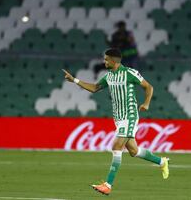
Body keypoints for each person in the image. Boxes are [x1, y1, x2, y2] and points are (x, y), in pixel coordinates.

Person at [62, 48, 169, 196]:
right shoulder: (109, 77)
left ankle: (108, 185)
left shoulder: (130, 73)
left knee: (116, 145)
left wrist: (146, 103)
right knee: (134, 151)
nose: (104, 61)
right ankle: (162, 162)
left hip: (130, 115)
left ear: (113, 60)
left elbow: (148, 87)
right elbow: (94, 88)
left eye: (106, 59)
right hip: (118, 118)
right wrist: (74, 80)